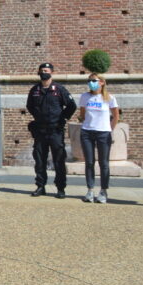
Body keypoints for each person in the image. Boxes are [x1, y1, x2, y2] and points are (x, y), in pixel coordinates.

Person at [26, 62, 76, 199]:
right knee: (40, 160)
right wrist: (38, 117)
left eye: (46, 70)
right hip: (40, 131)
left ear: (51, 72)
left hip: (55, 130)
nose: (44, 72)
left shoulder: (59, 89)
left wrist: (63, 118)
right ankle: (40, 186)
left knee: (59, 160)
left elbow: (72, 105)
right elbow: (29, 106)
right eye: (42, 70)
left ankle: (60, 188)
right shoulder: (35, 90)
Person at [76, 73, 118, 204]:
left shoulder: (109, 98)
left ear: (102, 82)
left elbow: (116, 116)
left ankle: (103, 191)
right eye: (89, 81)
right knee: (89, 162)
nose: (91, 83)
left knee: (103, 163)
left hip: (103, 133)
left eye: (93, 80)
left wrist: (109, 129)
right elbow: (82, 114)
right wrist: (85, 123)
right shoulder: (85, 97)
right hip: (87, 132)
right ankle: (90, 190)